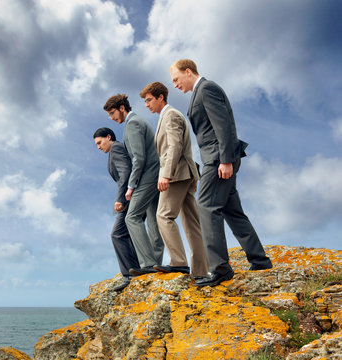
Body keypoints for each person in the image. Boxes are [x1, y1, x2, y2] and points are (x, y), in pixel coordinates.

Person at [169, 59, 272, 287]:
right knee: (231, 210)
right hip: (216, 158)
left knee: (205, 206)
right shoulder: (199, 93)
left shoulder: (207, 89)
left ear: (188, 71)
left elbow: (223, 125)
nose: (175, 84)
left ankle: (220, 268)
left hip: (218, 159)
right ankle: (260, 260)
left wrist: (225, 161)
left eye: (176, 79)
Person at [139, 82, 208, 280]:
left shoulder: (170, 115)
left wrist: (165, 174)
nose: (147, 105)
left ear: (161, 97)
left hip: (177, 173)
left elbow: (174, 146)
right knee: (191, 223)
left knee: (163, 215)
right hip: (187, 173)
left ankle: (178, 262)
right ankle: (201, 272)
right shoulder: (169, 116)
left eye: (149, 100)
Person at [103, 94, 165, 275]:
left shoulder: (133, 123)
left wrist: (131, 186)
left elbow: (139, 158)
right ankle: (156, 265)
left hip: (147, 176)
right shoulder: (137, 122)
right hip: (155, 175)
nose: (112, 118)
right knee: (153, 221)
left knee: (132, 218)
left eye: (113, 113)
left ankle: (147, 264)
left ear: (122, 108)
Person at [93, 127, 141, 291]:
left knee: (117, 234)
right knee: (127, 233)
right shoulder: (116, 149)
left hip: (129, 197)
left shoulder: (116, 148)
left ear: (108, 137)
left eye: (100, 143)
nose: (98, 147)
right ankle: (135, 270)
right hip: (132, 195)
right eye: (96, 145)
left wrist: (120, 198)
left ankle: (130, 275)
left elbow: (124, 173)